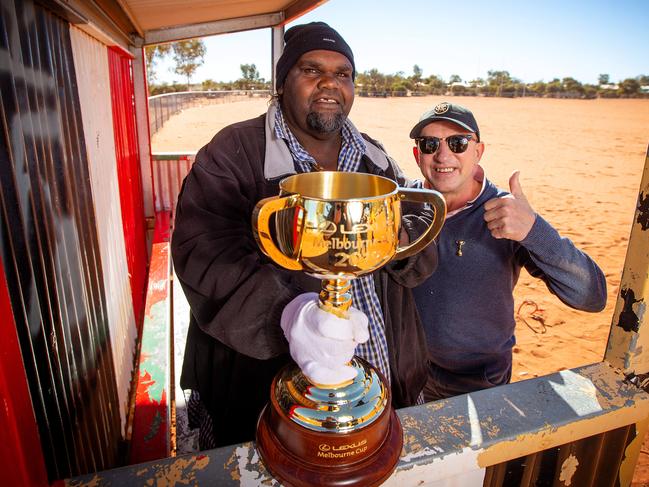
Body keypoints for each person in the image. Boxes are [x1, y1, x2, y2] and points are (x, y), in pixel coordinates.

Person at [171, 22, 436, 449]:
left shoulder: (374, 156)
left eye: (343, 74)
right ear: (282, 82)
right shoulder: (233, 152)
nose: (330, 83)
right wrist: (292, 315)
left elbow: (414, 262)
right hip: (267, 390)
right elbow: (203, 255)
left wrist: (400, 240)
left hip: (384, 377)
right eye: (311, 70)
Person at [410, 101, 607, 401]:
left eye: (458, 143)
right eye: (430, 144)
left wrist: (534, 231)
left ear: (479, 151)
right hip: (407, 372)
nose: (443, 155)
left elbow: (591, 295)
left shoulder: (507, 213)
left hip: (477, 382)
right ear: (417, 154)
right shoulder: (402, 202)